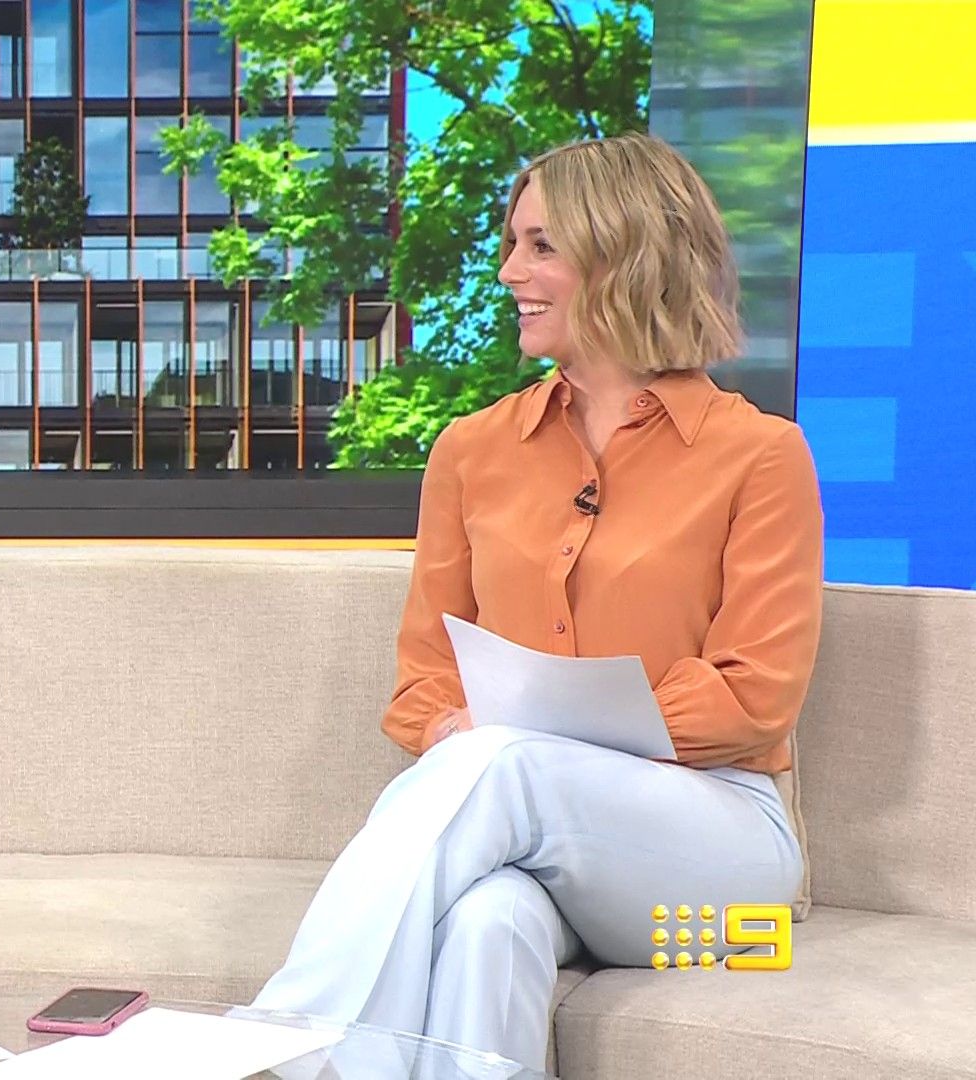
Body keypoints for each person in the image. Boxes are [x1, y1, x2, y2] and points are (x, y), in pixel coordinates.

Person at [251, 132, 819, 1071]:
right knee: (487, 923)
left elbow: (755, 696)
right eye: (513, 243)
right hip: (539, 848)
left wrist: (526, 737)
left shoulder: (760, 456)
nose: (510, 271)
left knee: (505, 760)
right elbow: (423, 685)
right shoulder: (471, 450)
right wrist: (459, 728)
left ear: (627, 255)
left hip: (719, 870)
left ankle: (290, 1044)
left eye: (542, 246)